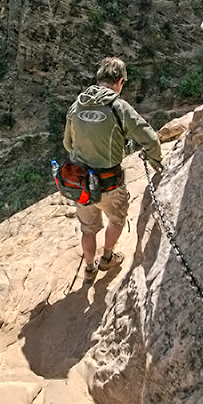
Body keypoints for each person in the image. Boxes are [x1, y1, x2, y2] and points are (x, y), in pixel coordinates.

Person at [63, 56, 163, 283]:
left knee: (88, 230)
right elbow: (150, 139)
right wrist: (155, 160)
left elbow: (68, 145)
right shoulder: (119, 107)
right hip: (109, 182)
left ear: (98, 79)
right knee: (116, 221)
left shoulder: (77, 104)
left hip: (80, 182)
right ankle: (107, 258)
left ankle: (89, 269)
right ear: (120, 82)